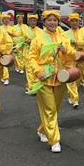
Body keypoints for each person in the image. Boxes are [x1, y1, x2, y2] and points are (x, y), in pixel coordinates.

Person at [28, 10, 76, 153]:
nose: (52, 23)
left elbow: (74, 55)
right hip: (44, 77)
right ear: (44, 22)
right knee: (49, 109)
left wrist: (65, 49)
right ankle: (54, 140)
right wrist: (38, 72)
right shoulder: (38, 38)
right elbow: (32, 58)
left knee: (56, 108)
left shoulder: (64, 38)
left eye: (55, 20)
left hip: (61, 76)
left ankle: (42, 130)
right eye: (49, 20)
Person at [63, 13, 84, 108]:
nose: (75, 23)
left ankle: (71, 95)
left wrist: (76, 42)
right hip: (70, 58)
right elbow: (64, 45)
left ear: (79, 22)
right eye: (72, 21)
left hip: (82, 57)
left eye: (76, 21)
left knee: (78, 78)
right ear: (69, 22)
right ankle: (75, 99)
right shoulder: (65, 34)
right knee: (71, 78)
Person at [22, 14, 42, 94]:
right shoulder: (25, 30)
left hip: (37, 54)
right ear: (28, 21)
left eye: (34, 20)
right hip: (27, 53)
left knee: (35, 71)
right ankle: (32, 88)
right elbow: (21, 41)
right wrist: (24, 43)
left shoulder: (41, 31)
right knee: (29, 71)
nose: (33, 22)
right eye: (31, 20)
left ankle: (32, 85)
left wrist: (33, 42)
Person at [0, 14, 14, 86]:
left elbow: (15, 36)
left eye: (8, 19)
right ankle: (3, 77)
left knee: (5, 62)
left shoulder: (12, 28)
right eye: (5, 19)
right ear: (2, 20)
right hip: (0, 47)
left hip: (8, 47)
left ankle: (6, 78)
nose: (7, 20)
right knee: (1, 63)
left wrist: (10, 33)